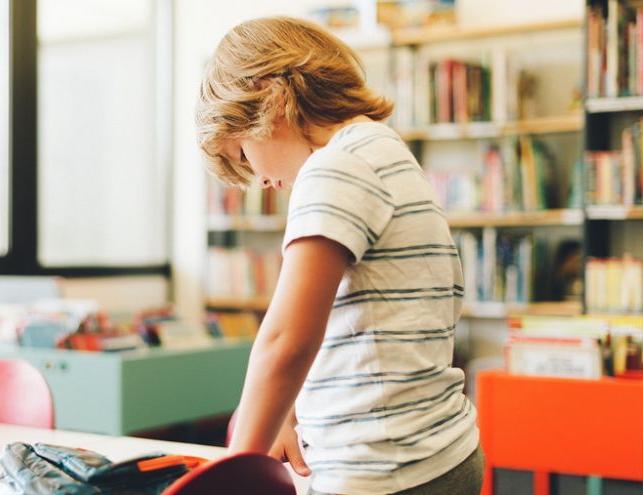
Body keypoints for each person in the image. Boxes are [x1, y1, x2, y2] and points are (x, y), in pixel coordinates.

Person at [195, 16, 483, 495]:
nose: (260, 180)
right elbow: (342, 319)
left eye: (244, 154)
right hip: (439, 450)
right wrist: (287, 410)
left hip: (383, 469)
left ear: (272, 97)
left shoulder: (333, 169)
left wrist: (233, 474)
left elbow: (285, 340)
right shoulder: (380, 148)